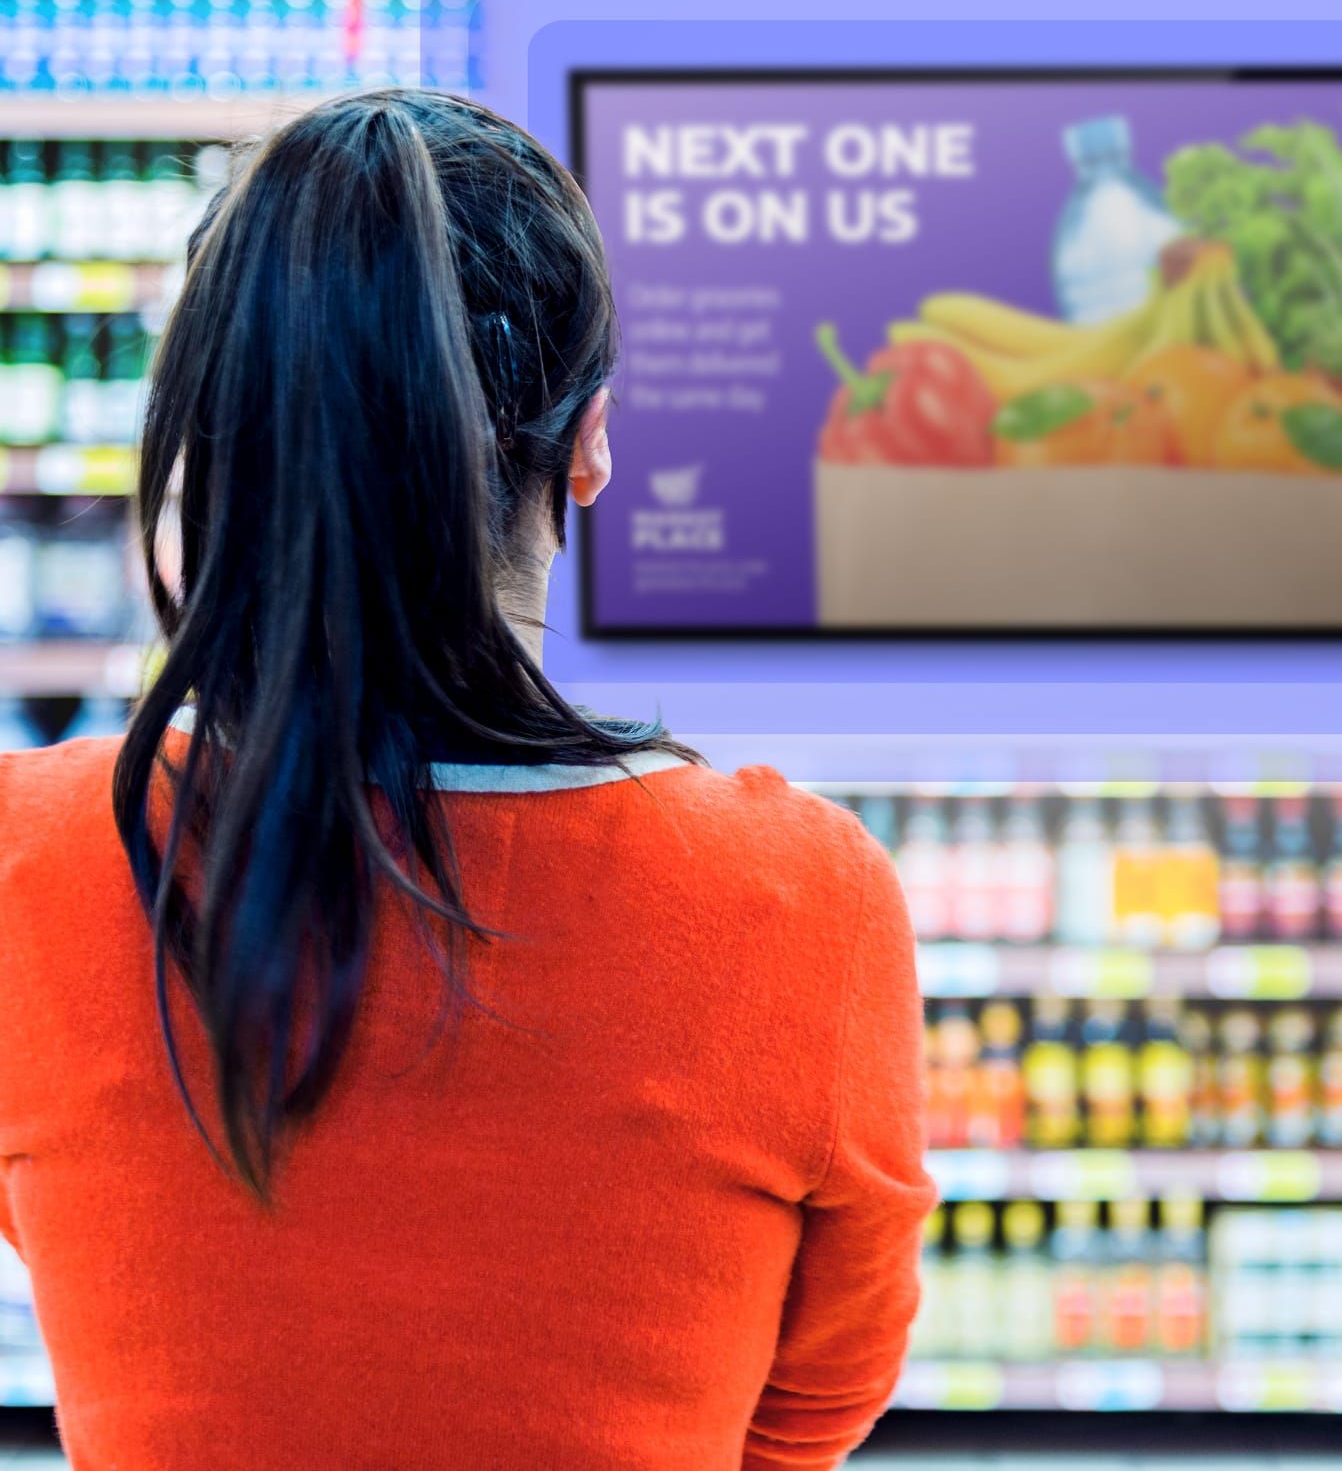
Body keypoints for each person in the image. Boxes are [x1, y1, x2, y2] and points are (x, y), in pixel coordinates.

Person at [0, 89, 934, 1469]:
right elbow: (806, 1410)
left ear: (219, 441)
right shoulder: (803, 903)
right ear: (591, 440)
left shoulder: (37, 867)